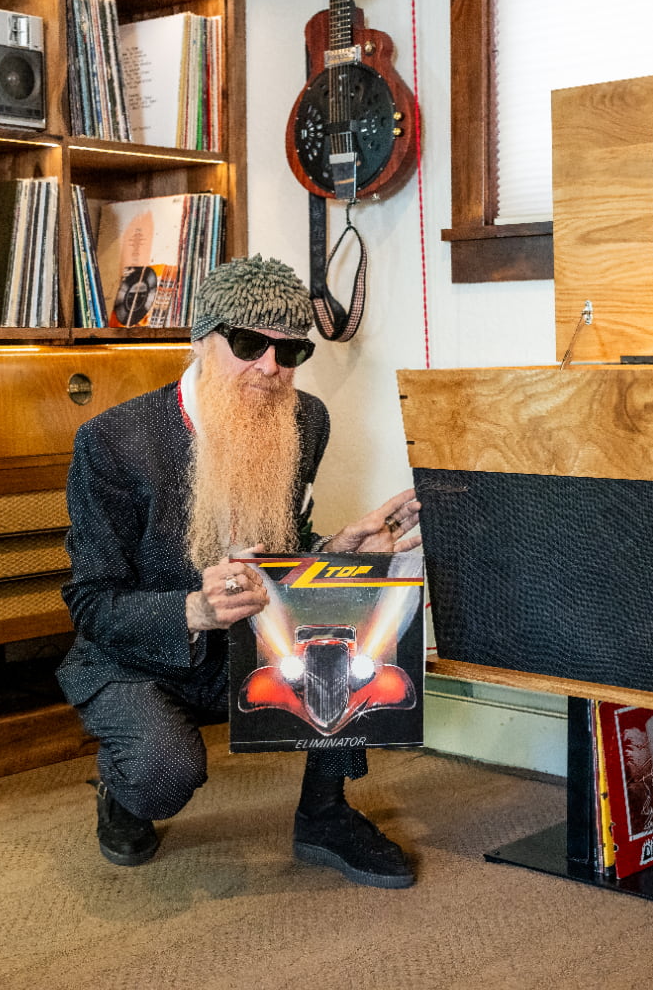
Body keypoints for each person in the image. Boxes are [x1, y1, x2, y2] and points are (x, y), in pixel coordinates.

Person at [58, 254, 422, 890]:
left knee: (357, 598)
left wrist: (339, 545)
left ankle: (325, 815)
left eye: (290, 353)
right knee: (164, 772)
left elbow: (281, 552)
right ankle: (121, 789)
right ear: (202, 338)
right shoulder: (113, 441)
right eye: (250, 344)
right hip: (141, 653)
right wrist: (193, 610)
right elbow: (91, 601)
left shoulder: (307, 419)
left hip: (251, 637)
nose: (270, 369)